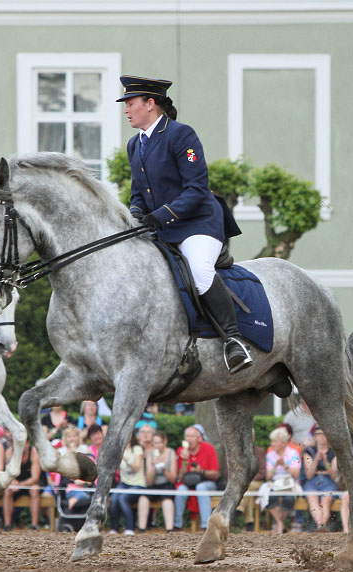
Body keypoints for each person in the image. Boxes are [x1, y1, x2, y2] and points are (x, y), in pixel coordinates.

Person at [118, 74, 250, 374]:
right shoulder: (134, 145)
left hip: (197, 224)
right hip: (161, 228)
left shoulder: (181, 135)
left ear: (150, 104)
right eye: (126, 104)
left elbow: (196, 190)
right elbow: (138, 194)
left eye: (131, 103)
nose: (126, 110)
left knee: (199, 271)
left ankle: (233, 340)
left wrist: (160, 215)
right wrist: (136, 215)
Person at [173, 425, 220, 531]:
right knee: (180, 489)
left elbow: (216, 474)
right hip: (187, 483)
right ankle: (177, 525)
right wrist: (184, 461)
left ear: (199, 438)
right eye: (187, 436)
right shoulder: (181, 451)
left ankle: (205, 526)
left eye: (192, 436)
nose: (189, 439)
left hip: (207, 482)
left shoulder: (208, 448)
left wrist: (201, 471)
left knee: (201, 487)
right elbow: (180, 477)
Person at [138, 430, 178, 533]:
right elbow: (149, 481)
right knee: (143, 498)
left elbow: (173, 479)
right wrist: (153, 469)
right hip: (154, 484)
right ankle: (142, 528)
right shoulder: (150, 455)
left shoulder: (171, 453)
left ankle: (169, 529)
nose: (157, 445)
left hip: (167, 484)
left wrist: (164, 468)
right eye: (155, 443)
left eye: (159, 442)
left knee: (167, 500)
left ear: (165, 442)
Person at [264, 427, 301, 534]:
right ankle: (280, 523)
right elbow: (268, 477)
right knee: (270, 498)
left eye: (275, 441)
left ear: (284, 443)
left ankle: (278, 523)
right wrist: (275, 466)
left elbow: (296, 474)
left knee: (289, 499)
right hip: (275, 483)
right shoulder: (270, 455)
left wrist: (284, 465)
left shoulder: (294, 453)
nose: (272, 444)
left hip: (290, 483)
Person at [302, 427, 339, 532]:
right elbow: (309, 475)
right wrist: (316, 461)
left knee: (326, 500)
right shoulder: (309, 452)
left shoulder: (333, 453)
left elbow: (334, 476)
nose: (322, 437)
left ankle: (321, 525)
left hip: (328, 480)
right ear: (315, 437)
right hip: (313, 480)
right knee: (312, 499)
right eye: (319, 434)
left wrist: (326, 462)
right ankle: (320, 525)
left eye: (324, 434)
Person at [108, 432, 145, 535]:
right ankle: (115, 527)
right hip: (124, 483)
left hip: (138, 484)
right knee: (114, 498)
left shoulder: (137, 449)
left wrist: (124, 458)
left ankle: (130, 527)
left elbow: (137, 467)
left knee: (123, 498)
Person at [2, 442, 41, 531]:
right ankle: (7, 525)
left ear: (27, 443)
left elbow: (35, 478)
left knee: (34, 489)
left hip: (30, 483)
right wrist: (13, 482)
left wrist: (20, 484)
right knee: (8, 490)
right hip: (15, 483)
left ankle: (34, 525)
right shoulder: (9, 452)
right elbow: (8, 474)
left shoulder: (33, 451)